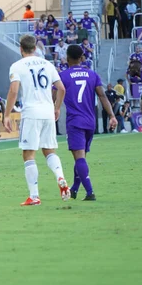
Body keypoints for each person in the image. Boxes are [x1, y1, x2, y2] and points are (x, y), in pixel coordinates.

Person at [3, 34, 68, 206]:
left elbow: (14, 91)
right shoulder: (48, 64)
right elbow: (61, 88)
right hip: (48, 112)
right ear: (35, 48)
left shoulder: (17, 66)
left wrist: (7, 114)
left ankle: (34, 196)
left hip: (31, 113)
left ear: (21, 49)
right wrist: (56, 107)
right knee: (49, 150)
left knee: (29, 153)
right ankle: (60, 176)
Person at [59, 45, 117, 201]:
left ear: (68, 58)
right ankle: (75, 189)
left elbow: (53, 96)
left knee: (79, 158)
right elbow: (103, 96)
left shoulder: (62, 76)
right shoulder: (92, 74)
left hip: (75, 121)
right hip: (90, 122)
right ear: (82, 57)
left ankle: (90, 192)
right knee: (81, 157)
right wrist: (112, 115)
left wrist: (53, 111)